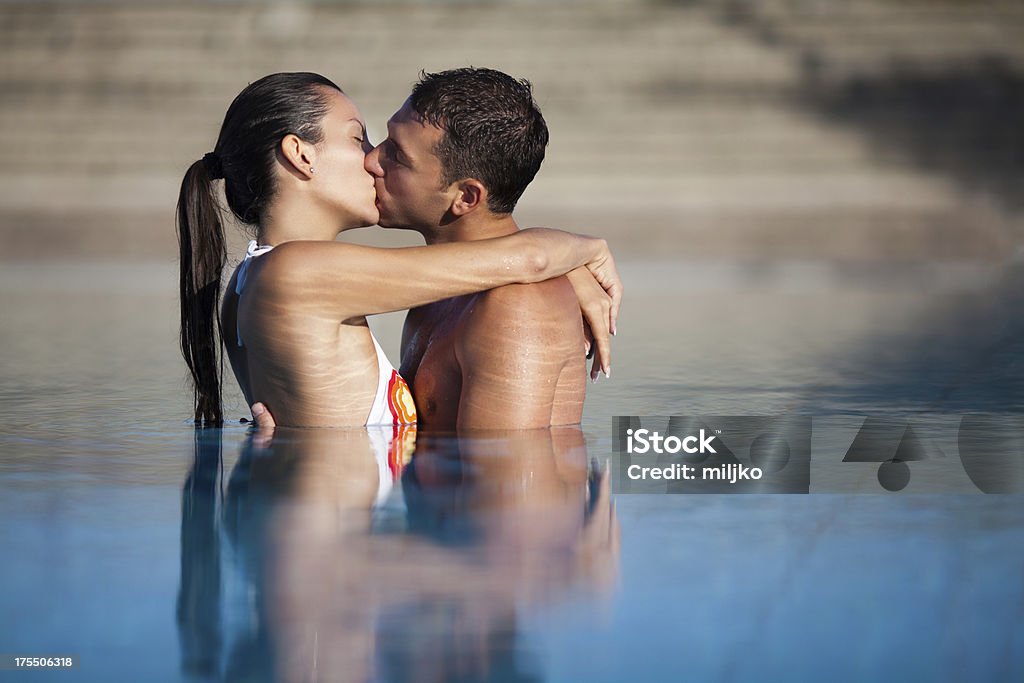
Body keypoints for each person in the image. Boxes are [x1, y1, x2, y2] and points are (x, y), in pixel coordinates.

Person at [177, 72, 621, 428]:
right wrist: (586, 250)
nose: (372, 159)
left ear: (465, 196)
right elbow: (532, 258)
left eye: (392, 153)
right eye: (360, 139)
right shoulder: (299, 272)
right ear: (300, 154)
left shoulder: (246, 284)